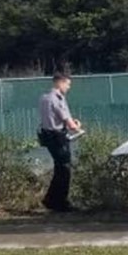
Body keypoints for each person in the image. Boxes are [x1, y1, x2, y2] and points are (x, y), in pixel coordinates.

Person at [38, 72, 82, 212]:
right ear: (60, 82)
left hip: (49, 136)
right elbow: (69, 124)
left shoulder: (44, 98)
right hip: (58, 137)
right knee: (65, 169)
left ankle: (51, 200)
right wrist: (77, 126)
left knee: (59, 168)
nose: (69, 87)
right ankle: (60, 202)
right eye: (68, 84)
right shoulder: (57, 99)